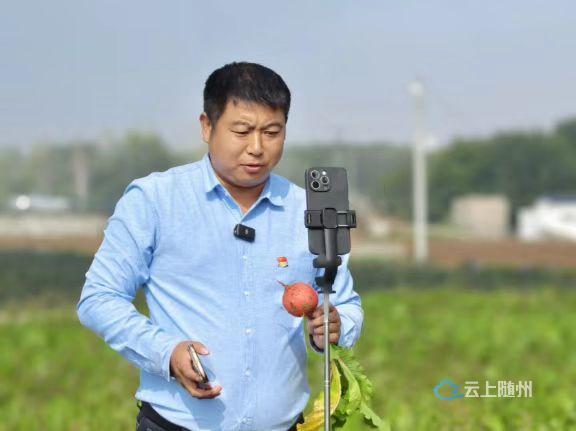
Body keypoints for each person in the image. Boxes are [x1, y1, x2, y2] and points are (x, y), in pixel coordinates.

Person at [77, 61, 364, 431]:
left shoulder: (308, 211)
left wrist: (336, 327)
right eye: (242, 131)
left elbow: (345, 303)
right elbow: (99, 298)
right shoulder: (155, 201)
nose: (257, 148)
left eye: (272, 132)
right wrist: (166, 352)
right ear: (206, 126)